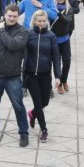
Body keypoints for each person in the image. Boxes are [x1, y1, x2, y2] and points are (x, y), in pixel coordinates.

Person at [0, 4, 31, 146]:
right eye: (10, 15)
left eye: (15, 16)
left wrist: (2, 31)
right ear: (5, 14)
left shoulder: (22, 32)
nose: (12, 18)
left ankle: (23, 133)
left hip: (13, 76)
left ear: (18, 16)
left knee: (18, 106)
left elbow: (13, 45)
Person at [23, 9, 61, 143]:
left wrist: (58, 76)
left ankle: (32, 114)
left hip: (45, 74)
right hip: (31, 75)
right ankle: (44, 130)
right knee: (38, 103)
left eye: (44, 21)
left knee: (45, 101)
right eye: (39, 21)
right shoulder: (28, 34)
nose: (42, 23)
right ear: (34, 21)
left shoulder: (51, 36)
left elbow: (56, 57)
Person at [51, 0, 76, 94]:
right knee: (56, 62)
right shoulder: (52, 8)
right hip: (54, 40)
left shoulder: (69, 8)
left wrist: (59, 14)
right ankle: (59, 84)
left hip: (65, 39)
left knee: (67, 62)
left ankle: (64, 80)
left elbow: (68, 21)